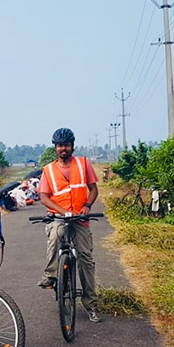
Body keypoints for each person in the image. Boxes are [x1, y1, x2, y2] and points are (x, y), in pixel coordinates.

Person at [37, 127, 103, 323]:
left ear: (72, 146)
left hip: (80, 219)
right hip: (59, 217)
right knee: (56, 234)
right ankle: (50, 275)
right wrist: (60, 210)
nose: (63, 148)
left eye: (66, 145)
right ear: (55, 148)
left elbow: (93, 189)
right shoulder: (48, 170)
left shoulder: (83, 164)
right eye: (59, 145)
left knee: (86, 260)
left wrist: (87, 206)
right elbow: (43, 197)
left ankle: (91, 305)